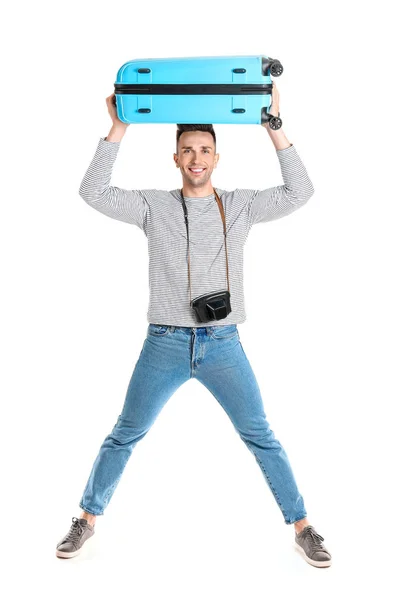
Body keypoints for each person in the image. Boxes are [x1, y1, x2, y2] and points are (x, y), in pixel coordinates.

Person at [56, 84, 331, 568]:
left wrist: (275, 128)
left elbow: (301, 192)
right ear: (175, 158)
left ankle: (303, 526)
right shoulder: (151, 206)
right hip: (163, 343)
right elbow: (91, 191)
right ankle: (86, 518)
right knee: (125, 434)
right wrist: (118, 128)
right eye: (188, 150)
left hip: (223, 344)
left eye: (204, 150)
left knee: (261, 436)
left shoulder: (241, 205)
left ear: (217, 158)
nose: (196, 158)